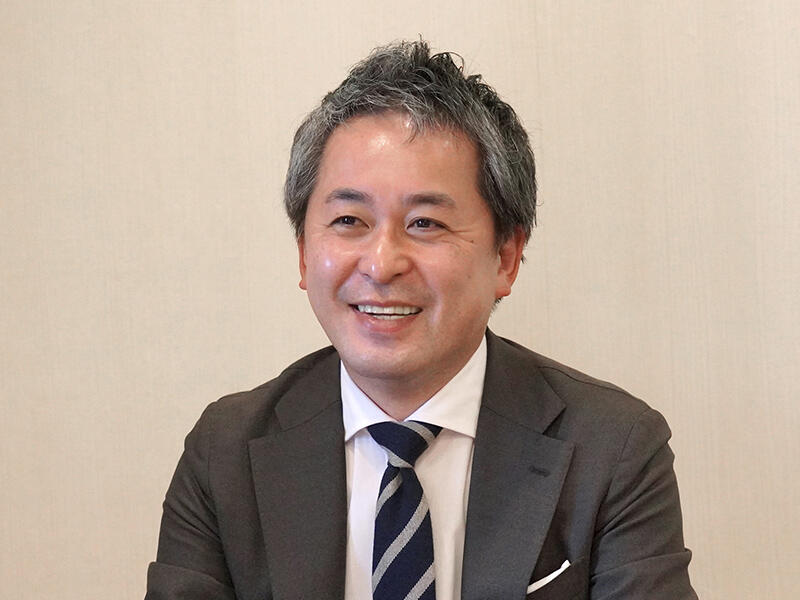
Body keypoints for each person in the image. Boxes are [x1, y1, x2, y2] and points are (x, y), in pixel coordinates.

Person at [145, 40, 697, 600]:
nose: (382, 263)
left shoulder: (612, 447)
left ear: (506, 257)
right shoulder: (227, 450)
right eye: (349, 220)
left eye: (425, 224)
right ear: (305, 254)